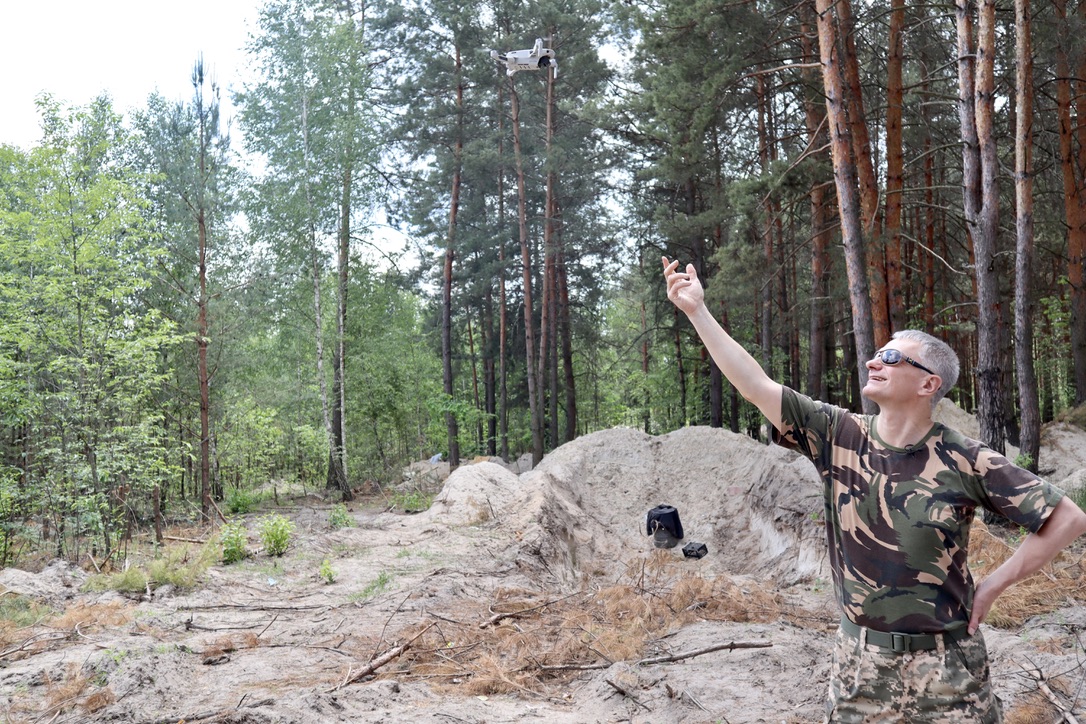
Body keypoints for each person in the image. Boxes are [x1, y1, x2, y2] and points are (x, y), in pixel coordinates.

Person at [662, 257, 1086, 722]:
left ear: (928, 383)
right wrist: (697, 311)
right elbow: (754, 385)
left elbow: (1067, 518)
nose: (872, 361)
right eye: (876, 354)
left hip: (950, 671)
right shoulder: (837, 433)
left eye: (891, 358)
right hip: (859, 669)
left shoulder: (966, 457)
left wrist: (992, 586)